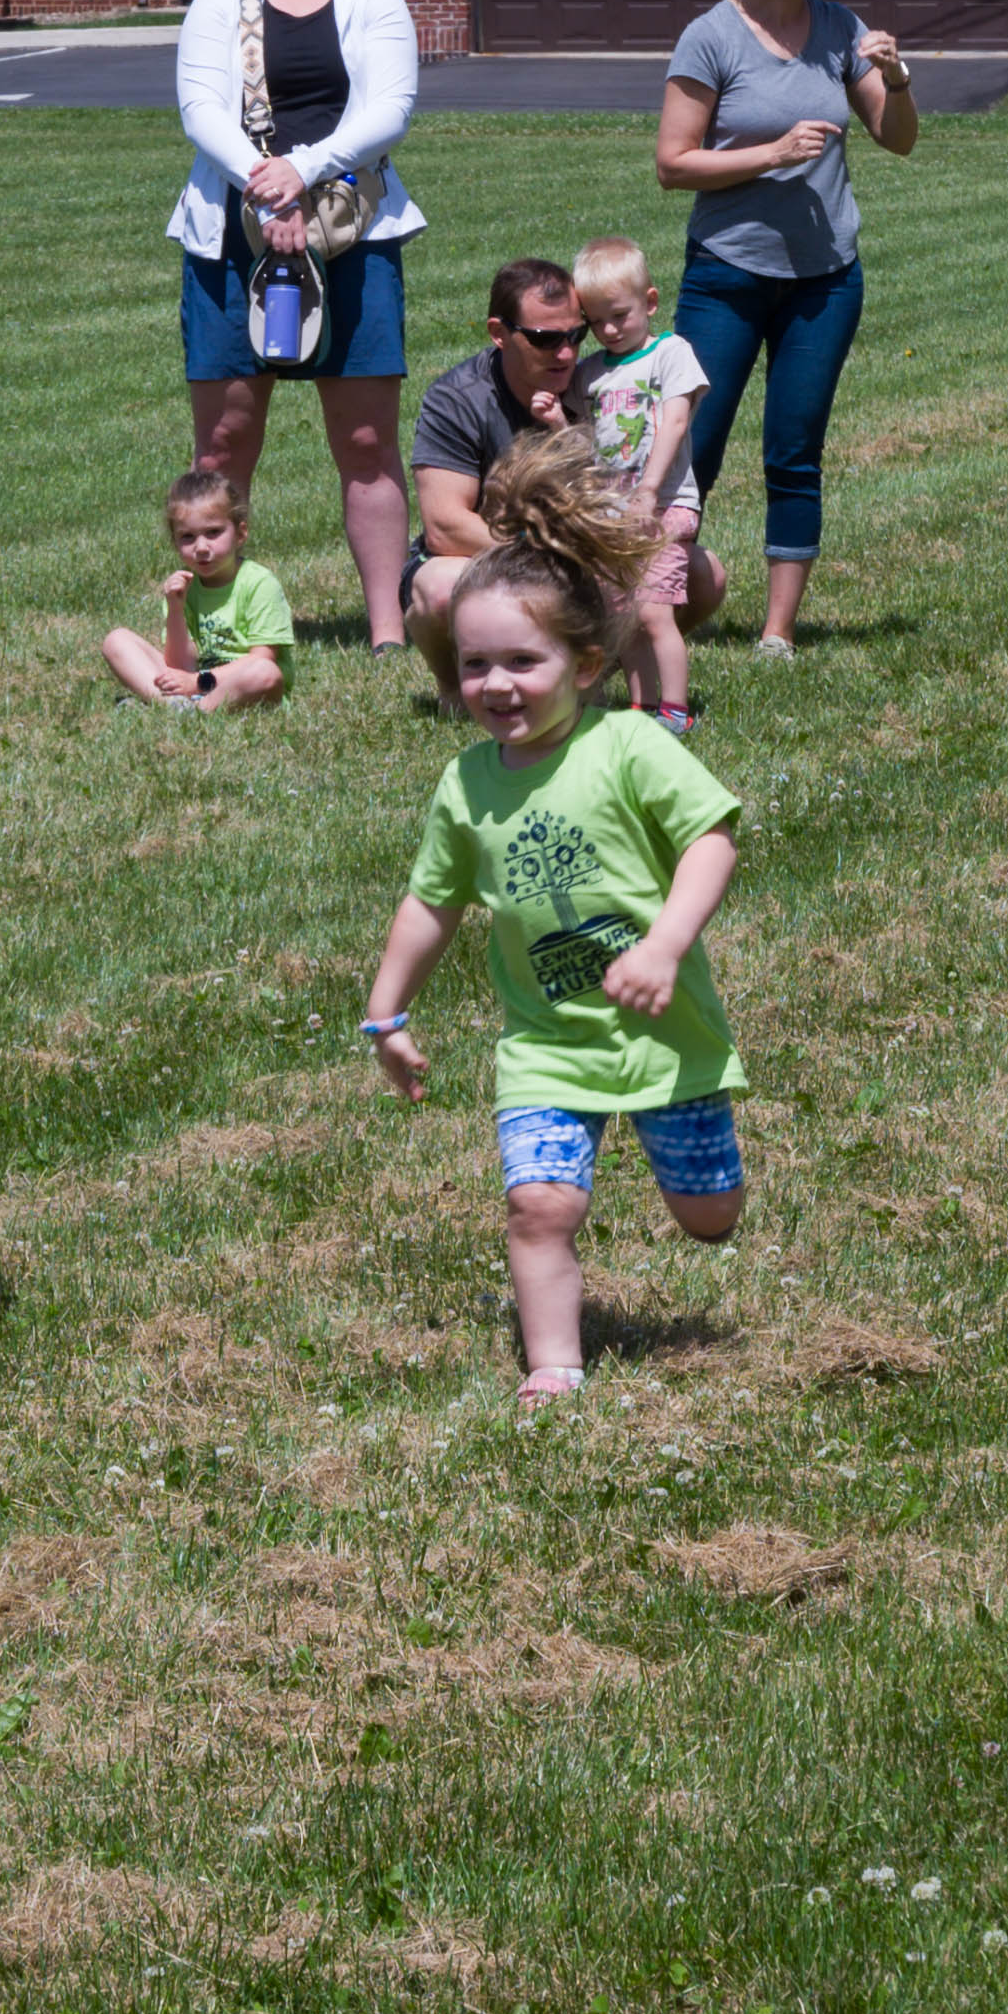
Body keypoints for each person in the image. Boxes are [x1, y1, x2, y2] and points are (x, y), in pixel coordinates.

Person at [359, 433, 748, 1407]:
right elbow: (432, 901)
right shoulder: (467, 780)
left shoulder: (627, 746)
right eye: (476, 663)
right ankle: (554, 1369)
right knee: (539, 1206)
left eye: (522, 662)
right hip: (545, 1044)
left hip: (667, 1035)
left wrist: (665, 945)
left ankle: (699, 1188)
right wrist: (387, 1014)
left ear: (581, 659)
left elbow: (713, 840)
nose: (496, 685)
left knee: (710, 1218)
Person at [171, 0, 427, 645]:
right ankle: (216, 624)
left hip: (353, 233)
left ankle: (387, 629)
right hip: (230, 238)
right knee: (225, 436)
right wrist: (263, 180)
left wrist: (304, 169)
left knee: (364, 437)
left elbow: (390, 107)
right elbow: (200, 107)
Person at [651, 0, 919, 661]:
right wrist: (770, 153)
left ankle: (777, 633)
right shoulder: (713, 36)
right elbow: (672, 163)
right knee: (690, 446)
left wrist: (897, 78)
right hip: (728, 275)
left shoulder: (841, 28)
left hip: (824, 278)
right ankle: (657, 606)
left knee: (795, 448)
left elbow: (896, 138)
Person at [403, 257, 594, 681]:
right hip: (481, 556)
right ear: (499, 334)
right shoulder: (458, 399)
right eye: (545, 339)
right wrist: (544, 557)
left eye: (576, 335)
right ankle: (456, 691)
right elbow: (445, 528)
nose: (565, 353)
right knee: (437, 590)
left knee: (702, 577)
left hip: (574, 553)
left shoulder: (596, 388)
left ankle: (592, 675)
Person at [570, 234, 722, 723]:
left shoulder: (669, 353)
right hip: (612, 516)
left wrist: (649, 493)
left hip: (663, 505)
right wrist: (554, 415)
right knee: (625, 617)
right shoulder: (589, 373)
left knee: (655, 612)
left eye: (619, 315)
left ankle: (676, 710)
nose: (609, 329)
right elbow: (580, 441)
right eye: (595, 322)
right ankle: (642, 707)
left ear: (650, 301)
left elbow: (675, 422)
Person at [100, 463, 298, 710]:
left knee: (265, 672)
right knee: (116, 640)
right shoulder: (184, 587)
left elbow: (262, 657)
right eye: (188, 537)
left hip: (243, 688)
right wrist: (175, 609)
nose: (201, 547)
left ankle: (189, 712)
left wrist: (196, 682)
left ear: (240, 533)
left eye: (213, 532)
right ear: (175, 541)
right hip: (192, 684)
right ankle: (175, 707)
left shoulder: (259, 583)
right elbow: (179, 665)